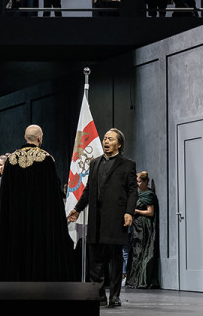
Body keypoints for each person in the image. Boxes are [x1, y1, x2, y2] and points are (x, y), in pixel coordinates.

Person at [0, 125, 74, 282]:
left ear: (25, 137)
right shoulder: (47, 159)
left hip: (15, 220)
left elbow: (4, 196)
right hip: (39, 221)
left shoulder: (11, 160)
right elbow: (53, 196)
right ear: (40, 138)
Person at [68, 128, 138, 308]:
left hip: (116, 218)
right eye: (105, 138)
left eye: (110, 139)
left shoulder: (127, 164)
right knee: (95, 261)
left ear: (119, 144)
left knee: (115, 258)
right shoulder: (95, 163)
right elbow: (88, 190)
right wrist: (77, 209)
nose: (106, 141)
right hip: (96, 218)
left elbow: (132, 191)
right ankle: (99, 296)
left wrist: (129, 212)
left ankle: (114, 296)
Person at [126, 171, 160, 289]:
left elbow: (150, 212)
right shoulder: (137, 193)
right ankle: (133, 280)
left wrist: (137, 211)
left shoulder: (148, 195)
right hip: (136, 226)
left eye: (140, 182)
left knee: (142, 251)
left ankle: (142, 280)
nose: (138, 184)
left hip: (144, 226)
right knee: (136, 252)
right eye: (137, 182)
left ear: (145, 182)